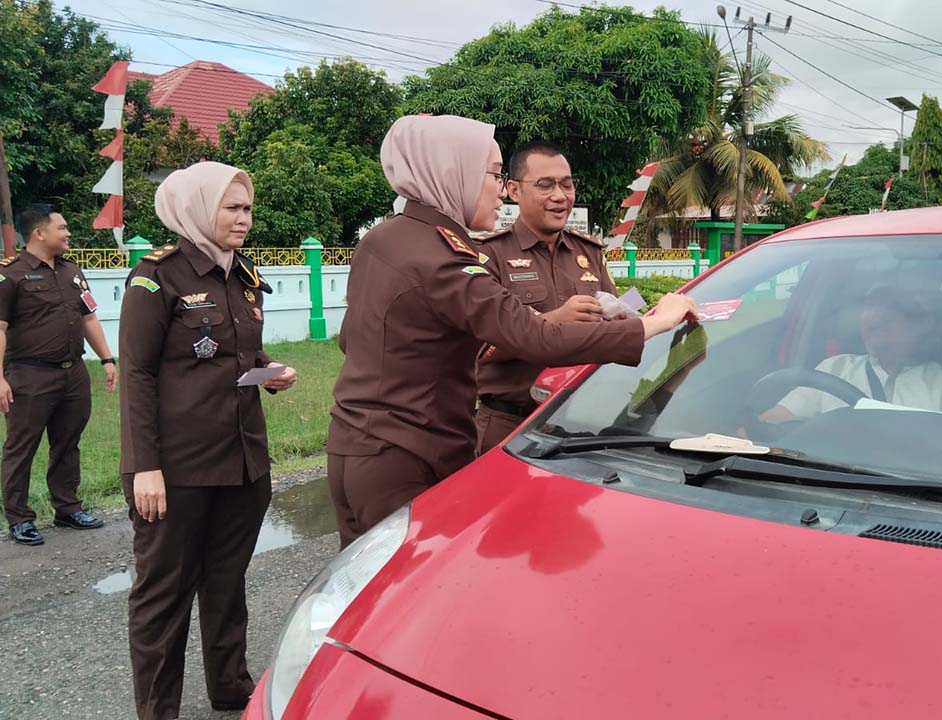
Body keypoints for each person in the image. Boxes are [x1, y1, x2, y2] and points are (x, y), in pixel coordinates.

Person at [327, 115, 696, 548]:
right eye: (494, 175)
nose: (499, 189)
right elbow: (534, 339)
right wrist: (656, 321)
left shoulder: (386, 239)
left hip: (359, 446)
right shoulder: (441, 255)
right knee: (412, 595)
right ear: (454, 174)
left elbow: (350, 339)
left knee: (369, 592)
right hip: (408, 452)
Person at [118, 162, 298, 720]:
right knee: (163, 595)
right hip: (177, 467)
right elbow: (138, 374)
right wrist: (145, 466)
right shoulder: (157, 277)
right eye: (232, 208)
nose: (244, 219)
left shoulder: (242, 274)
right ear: (197, 210)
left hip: (242, 460)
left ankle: (229, 687)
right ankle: (157, 710)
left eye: (247, 208)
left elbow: (237, 353)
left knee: (227, 582)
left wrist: (269, 368)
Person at [473, 141, 621, 454]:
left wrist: (631, 317)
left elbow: (619, 316)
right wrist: (549, 321)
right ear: (513, 190)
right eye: (545, 185)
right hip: (509, 425)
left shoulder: (589, 253)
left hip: (582, 424)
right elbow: (476, 348)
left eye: (567, 185)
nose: (559, 196)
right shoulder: (490, 255)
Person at [759, 284, 942, 449]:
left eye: (894, 307)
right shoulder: (832, 370)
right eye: (869, 305)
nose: (877, 315)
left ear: (923, 324)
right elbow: (771, 424)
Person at [1, 205, 116, 546]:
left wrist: (107, 358)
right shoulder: (11, 276)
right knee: (22, 447)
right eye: (62, 228)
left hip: (73, 373)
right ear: (39, 233)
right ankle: (19, 518)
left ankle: (67, 508)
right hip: (29, 374)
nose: (68, 233)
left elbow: (89, 318)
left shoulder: (72, 271)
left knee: (68, 442)